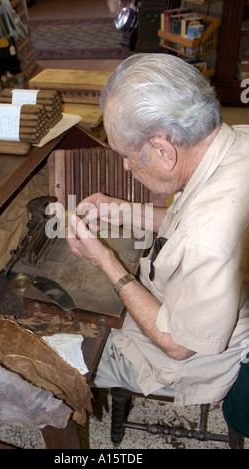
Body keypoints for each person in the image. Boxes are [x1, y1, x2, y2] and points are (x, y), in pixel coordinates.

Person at [65, 53, 249, 406]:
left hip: (194, 359)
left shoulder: (207, 241)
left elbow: (177, 345)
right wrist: (123, 210)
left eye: (126, 154)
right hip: (213, 308)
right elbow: (189, 222)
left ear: (163, 151)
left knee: (64, 354)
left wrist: (106, 261)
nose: (125, 166)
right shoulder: (235, 140)